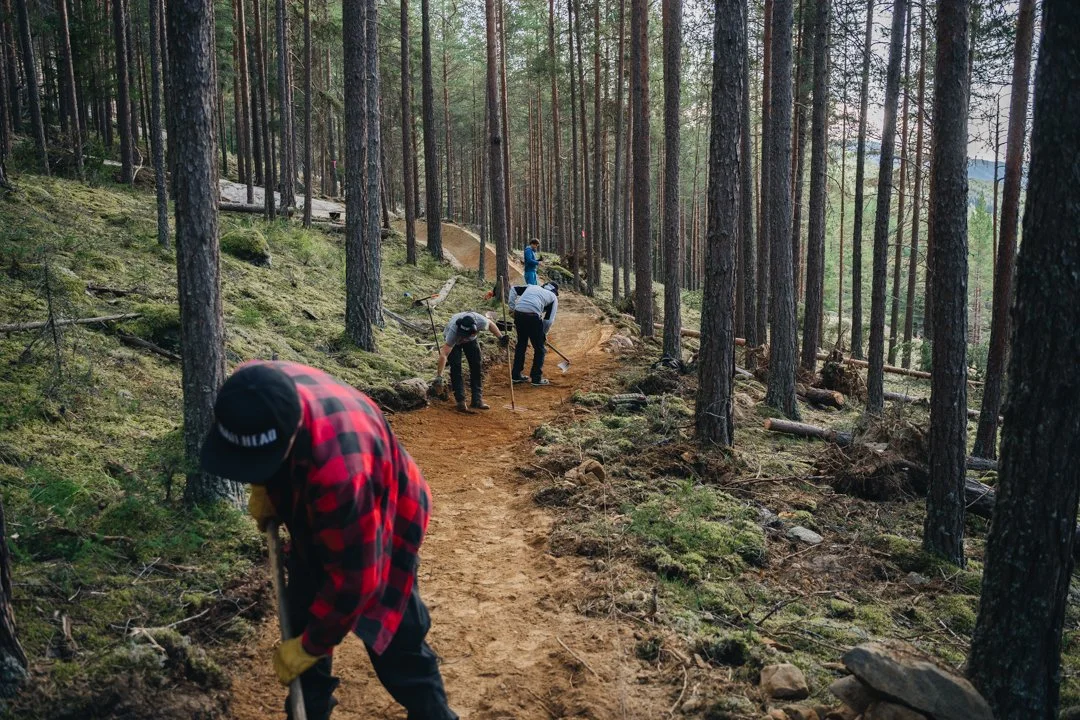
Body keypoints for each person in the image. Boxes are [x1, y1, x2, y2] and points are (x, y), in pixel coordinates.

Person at [200, 362, 458, 720]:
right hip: (322, 497)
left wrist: (308, 647)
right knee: (304, 618)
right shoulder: (251, 389)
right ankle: (309, 706)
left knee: (397, 648)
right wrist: (263, 483)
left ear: (290, 439)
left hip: (383, 516)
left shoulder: (340, 476)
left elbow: (356, 582)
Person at [434, 311, 509, 412]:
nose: (463, 338)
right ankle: (460, 401)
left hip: (472, 341)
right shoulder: (453, 332)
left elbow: (491, 324)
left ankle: (477, 400)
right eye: (463, 335)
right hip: (454, 343)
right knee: (456, 367)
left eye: (466, 336)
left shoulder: (480, 321)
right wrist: (439, 376)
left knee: (476, 365)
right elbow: (444, 354)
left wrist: (501, 337)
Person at [509, 282, 559, 386]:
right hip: (532, 316)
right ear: (554, 291)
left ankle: (516, 375)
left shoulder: (532, 286)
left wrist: (511, 308)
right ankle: (536, 378)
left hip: (519, 313)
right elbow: (548, 320)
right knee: (539, 349)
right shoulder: (553, 297)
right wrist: (543, 334)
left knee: (521, 344)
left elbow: (513, 289)